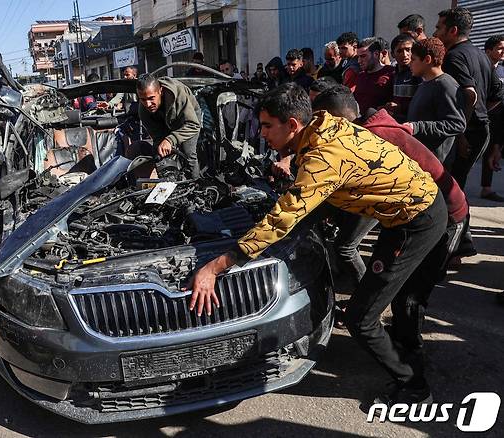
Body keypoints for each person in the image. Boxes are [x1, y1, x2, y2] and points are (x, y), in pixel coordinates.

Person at [187, 83, 446, 406]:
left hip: (417, 221)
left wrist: (216, 265)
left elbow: (285, 216)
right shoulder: (322, 122)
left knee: (360, 318)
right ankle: (402, 350)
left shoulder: (323, 158)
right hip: (402, 212)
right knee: (376, 297)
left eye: (267, 126)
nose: (262, 133)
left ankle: (414, 385)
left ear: (292, 125)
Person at [313, 85, 468, 292]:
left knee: (413, 285)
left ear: (338, 120)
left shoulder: (371, 138)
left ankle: (363, 297)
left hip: (444, 210)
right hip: (414, 203)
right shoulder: (364, 129)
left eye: (321, 121)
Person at [434, 7, 504, 261]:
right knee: (457, 188)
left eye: (440, 27)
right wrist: (481, 115)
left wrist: (461, 131)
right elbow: (496, 96)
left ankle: (453, 248)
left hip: (466, 133)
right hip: (478, 130)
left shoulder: (454, 57)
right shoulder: (480, 55)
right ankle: (462, 242)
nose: (436, 32)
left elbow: (469, 94)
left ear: (453, 30)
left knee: (452, 190)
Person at [406, 37, 466, 166]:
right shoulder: (424, 84)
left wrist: (416, 127)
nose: (409, 63)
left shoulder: (446, 85)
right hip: (420, 157)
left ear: (427, 59)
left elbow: (456, 123)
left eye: (413, 59)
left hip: (436, 163)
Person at [135, 74, 202, 178]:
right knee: (159, 153)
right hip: (164, 120)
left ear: (160, 91)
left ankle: (197, 185)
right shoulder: (143, 110)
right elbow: (157, 136)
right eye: (143, 99)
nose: (148, 104)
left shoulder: (178, 93)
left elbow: (193, 125)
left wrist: (170, 140)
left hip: (188, 120)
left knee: (188, 153)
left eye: (151, 98)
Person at [480, 35, 504, 201]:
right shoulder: (480, 69)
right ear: (489, 50)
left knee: (493, 151)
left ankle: (486, 188)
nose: (503, 52)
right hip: (481, 115)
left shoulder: (502, 70)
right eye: (500, 48)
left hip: (499, 118)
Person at [385, 34, 422, 122]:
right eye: (400, 51)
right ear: (393, 54)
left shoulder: (418, 73)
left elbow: (423, 103)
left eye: (408, 50)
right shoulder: (394, 74)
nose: (405, 54)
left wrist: (400, 107)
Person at [353, 37, 396, 112]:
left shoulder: (391, 73)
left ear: (376, 54)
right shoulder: (360, 76)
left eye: (363, 56)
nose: (359, 61)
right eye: (358, 57)